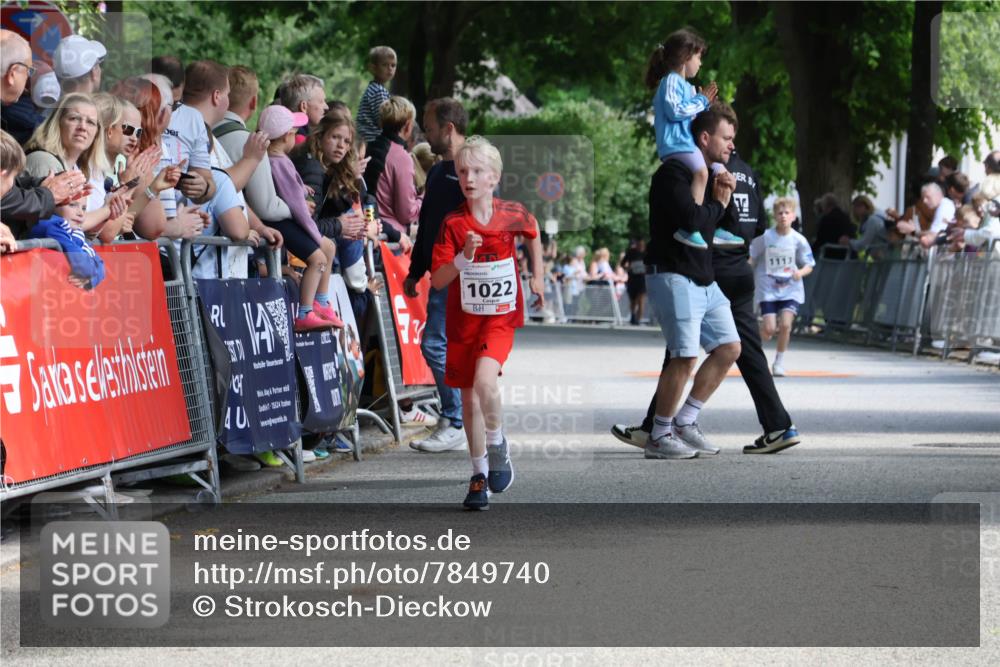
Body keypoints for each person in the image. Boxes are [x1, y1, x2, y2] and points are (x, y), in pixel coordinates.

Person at [613, 141, 803, 455]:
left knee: (684, 350)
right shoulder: (749, 174)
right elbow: (757, 227)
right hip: (739, 269)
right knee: (736, 349)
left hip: (711, 267)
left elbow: (698, 220)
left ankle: (657, 427)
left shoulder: (708, 171)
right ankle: (775, 424)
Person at [430, 136, 544, 510]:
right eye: (463, 171)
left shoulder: (512, 213)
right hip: (463, 322)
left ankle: (497, 444)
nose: (469, 178)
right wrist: (464, 258)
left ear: (494, 177)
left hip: (499, 316)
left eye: (478, 171)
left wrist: (537, 277)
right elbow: (439, 280)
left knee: (484, 381)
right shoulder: (453, 224)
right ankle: (478, 476)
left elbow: (534, 232)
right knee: (468, 400)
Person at [640, 103, 741, 460]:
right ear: (704, 137)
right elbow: (694, 220)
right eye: (726, 138)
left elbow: (725, 225)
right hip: (672, 274)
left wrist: (724, 197)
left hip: (703, 276)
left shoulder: (713, 174)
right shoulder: (673, 174)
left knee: (730, 347)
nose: (732, 146)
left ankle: (685, 421)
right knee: (684, 357)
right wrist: (718, 202)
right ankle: (659, 434)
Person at [403, 97, 470, 453]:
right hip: (442, 273)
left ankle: (456, 418)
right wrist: (416, 270)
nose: (423, 133)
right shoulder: (440, 171)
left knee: (435, 344)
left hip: (460, 274)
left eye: (428, 126)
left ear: (448, 128)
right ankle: (453, 415)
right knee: (444, 346)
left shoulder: (469, 168)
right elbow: (428, 224)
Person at [645, 29, 743, 252]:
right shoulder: (670, 81)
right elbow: (675, 111)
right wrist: (701, 100)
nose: (700, 63)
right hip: (676, 144)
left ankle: (718, 226)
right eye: (699, 57)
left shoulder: (687, 87)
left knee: (721, 172)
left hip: (688, 143)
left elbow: (694, 115)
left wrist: (706, 105)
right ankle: (689, 228)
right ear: (685, 56)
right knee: (702, 172)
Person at [260, 104, 343, 331]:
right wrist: (313, 232)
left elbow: (287, 188)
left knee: (330, 248)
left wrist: (301, 187)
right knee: (318, 259)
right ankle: (306, 312)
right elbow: (297, 207)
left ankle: (322, 302)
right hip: (287, 223)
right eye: (295, 133)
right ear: (287, 136)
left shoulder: (274, 159)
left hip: (286, 221)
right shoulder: (280, 162)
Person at [22, 93, 132, 237]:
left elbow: (83, 233)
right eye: (74, 118)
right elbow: (62, 226)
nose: (82, 127)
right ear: (57, 123)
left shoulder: (78, 169)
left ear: (97, 134)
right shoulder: (43, 160)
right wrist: (106, 210)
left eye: (91, 122)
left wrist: (108, 212)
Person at [750, 197, 815, 376]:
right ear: (775, 216)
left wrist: (799, 273)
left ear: (793, 216)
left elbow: (809, 264)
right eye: (780, 213)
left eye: (787, 213)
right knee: (770, 329)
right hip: (768, 288)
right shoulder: (766, 237)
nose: (783, 216)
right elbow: (752, 256)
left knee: (786, 325)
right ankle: (761, 337)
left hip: (790, 289)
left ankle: (778, 362)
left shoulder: (798, 240)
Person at [363, 96, 420, 247]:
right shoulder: (401, 157)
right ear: (408, 126)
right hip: (391, 240)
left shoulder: (370, 147)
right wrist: (422, 200)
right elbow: (406, 213)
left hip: (370, 230)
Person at [357, 46, 396, 143]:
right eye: (385, 65)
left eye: (393, 65)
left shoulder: (375, 88)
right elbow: (383, 121)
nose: (390, 69)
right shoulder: (378, 91)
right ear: (373, 68)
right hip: (372, 140)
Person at [278, 74, 328, 142]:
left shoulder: (279, 132)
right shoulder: (301, 141)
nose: (326, 107)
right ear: (303, 106)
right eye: (321, 102)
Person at [841, 195, 891, 260]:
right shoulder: (872, 219)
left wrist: (849, 242)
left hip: (883, 259)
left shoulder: (872, 220)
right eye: (855, 207)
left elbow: (863, 243)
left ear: (866, 206)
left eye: (858, 206)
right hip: (880, 257)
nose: (855, 210)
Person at [812, 193, 857, 258]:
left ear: (825, 205)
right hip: (849, 255)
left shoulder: (827, 219)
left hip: (833, 255)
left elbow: (820, 240)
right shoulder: (845, 216)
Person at [622, 238, 647, 325]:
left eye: (642, 245)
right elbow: (622, 263)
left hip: (643, 280)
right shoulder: (631, 253)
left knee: (641, 300)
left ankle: (638, 319)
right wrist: (627, 268)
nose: (640, 247)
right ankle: (633, 316)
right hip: (632, 279)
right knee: (633, 300)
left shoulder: (647, 253)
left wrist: (647, 269)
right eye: (638, 245)